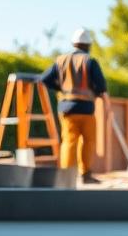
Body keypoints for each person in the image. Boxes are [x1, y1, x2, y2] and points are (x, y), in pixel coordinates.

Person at [40, 27, 109, 183]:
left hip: (66, 109)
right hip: (86, 109)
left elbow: (44, 79)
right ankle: (85, 175)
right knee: (88, 141)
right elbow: (101, 86)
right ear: (88, 45)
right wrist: (97, 93)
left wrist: (60, 87)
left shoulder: (61, 60)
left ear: (74, 43)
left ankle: (66, 177)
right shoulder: (89, 61)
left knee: (69, 142)